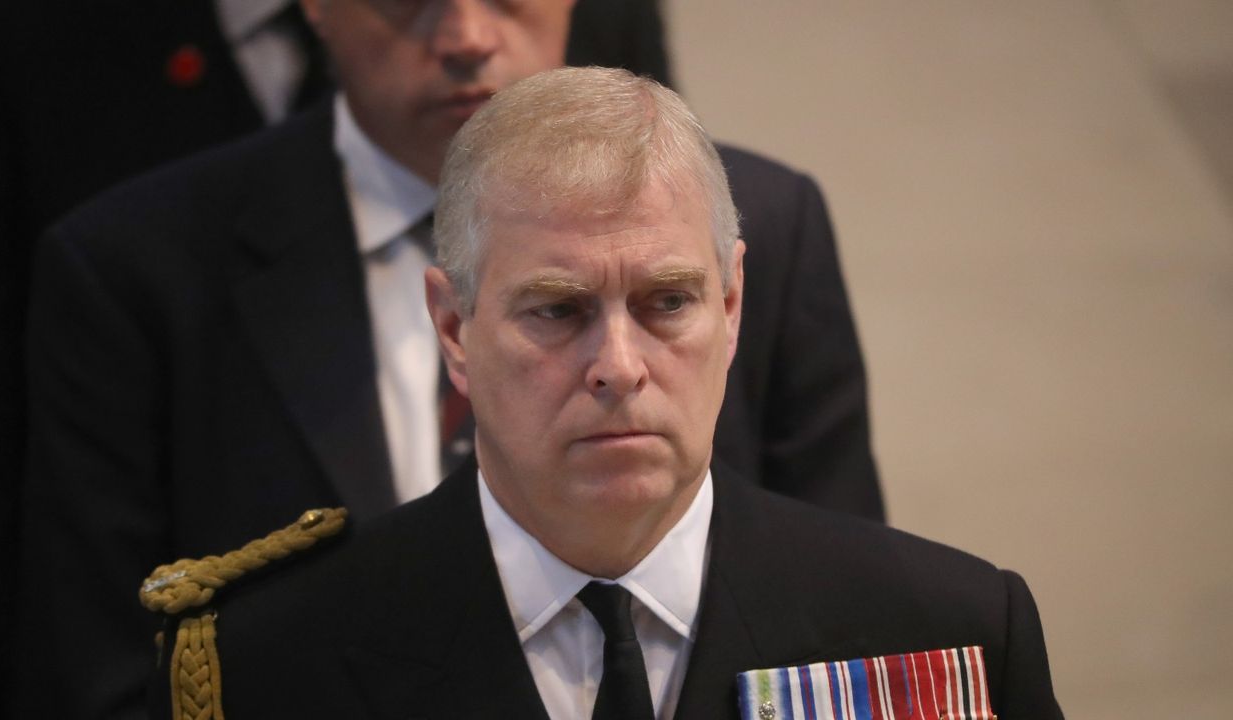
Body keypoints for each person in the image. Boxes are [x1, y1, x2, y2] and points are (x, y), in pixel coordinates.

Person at [14, 1, 879, 716]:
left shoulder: (766, 222)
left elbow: (842, 617)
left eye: (664, 303)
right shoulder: (138, 266)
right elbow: (97, 672)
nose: (466, 34)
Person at [143, 67, 1061, 720]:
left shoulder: (949, 631)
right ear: (455, 330)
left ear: (733, 306)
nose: (618, 363)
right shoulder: (272, 662)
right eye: (556, 309)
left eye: (668, 302)